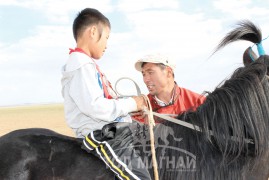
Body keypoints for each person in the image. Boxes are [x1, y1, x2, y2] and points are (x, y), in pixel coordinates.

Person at [61, 8, 151, 180]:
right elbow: (94, 106)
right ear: (93, 32)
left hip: (113, 129)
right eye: (107, 37)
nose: (107, 44)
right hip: (104, 134)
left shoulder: (86, 64)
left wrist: (130, 109)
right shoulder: (80, 64)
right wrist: (133, 103)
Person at [133, 53, 206, 123]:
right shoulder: (139, 112)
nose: (146, 80)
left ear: (169, 72)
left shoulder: (199, 102)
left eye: (150, 72)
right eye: (144, 74)